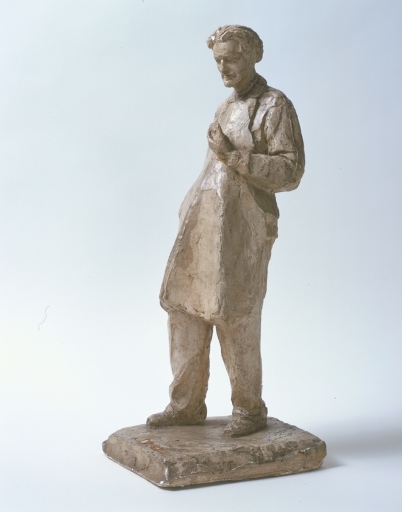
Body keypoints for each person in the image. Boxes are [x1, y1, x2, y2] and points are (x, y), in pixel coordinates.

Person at [147, 25, 305, 437]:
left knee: (236, 315)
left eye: (231, 58)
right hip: (201, 223)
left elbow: (290, 170)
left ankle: (249, 409)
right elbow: (210, 165)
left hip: (241, 227)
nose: (223, 67)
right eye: (218, 60)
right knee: (183, 309)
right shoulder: (225, 106)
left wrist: (235, 157)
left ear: (253, 56)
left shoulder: (274, 105)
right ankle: (185, 404)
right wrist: (188, 206)